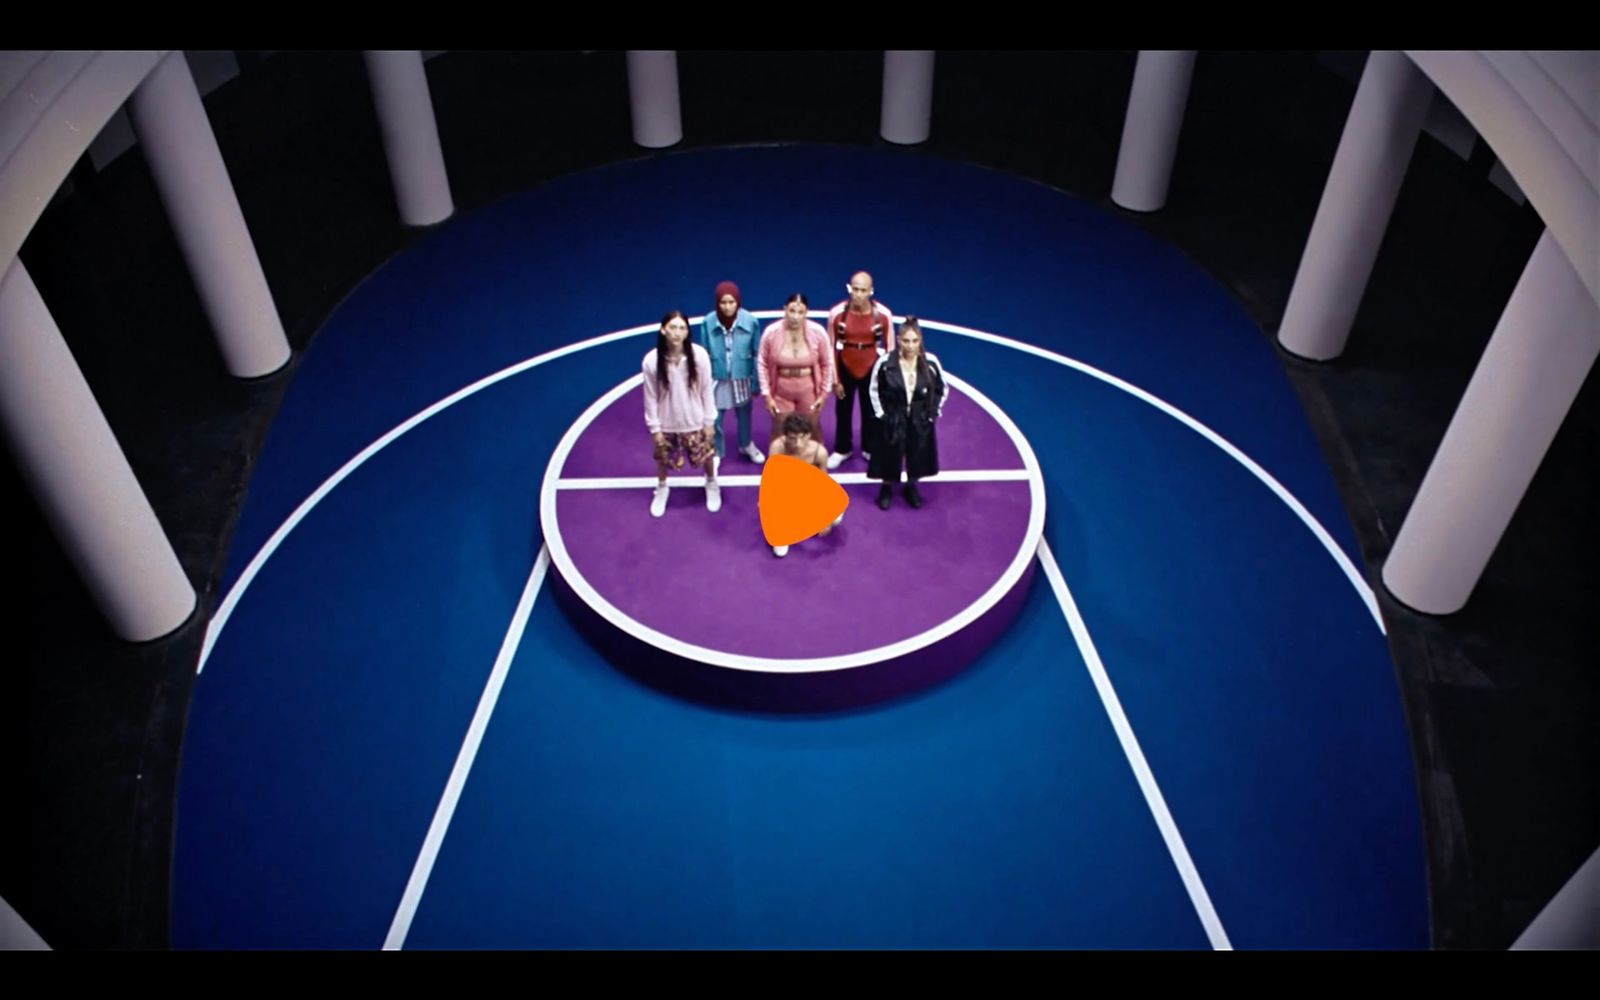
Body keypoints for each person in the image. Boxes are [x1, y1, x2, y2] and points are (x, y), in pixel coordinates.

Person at [642, 310, 719, 517]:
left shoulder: (699, 356)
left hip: (695, 420)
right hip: (667, 423)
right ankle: (662, 486)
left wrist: (709, 421)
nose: (677, 333)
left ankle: (711, 483)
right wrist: (655, 428)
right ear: (663, 330)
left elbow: (706, 390)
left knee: (707, 455)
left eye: (682, 328)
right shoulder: (651, 361)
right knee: (662, 459)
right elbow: (650, 397)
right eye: (673, 327)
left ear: (687, 332)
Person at [868, 316, 948, 510]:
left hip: (919, 417)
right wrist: (882, 415)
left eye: (914, 341)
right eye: (906, 341)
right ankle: (886, 487)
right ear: (898, 340)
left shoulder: (931, 363)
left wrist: (932, 412)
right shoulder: (885, 363)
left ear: (920, 340)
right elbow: (874, 389)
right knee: (890, 452)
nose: (911, 346)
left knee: (918, 451)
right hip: (893, 416)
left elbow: (941, 388)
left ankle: (911, 485)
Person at [825, 270, 895, 469]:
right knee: (843, 410)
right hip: (845, 364)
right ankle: (842, 448)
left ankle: (870, 447)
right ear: (849, 289)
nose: (858, 294)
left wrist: (886, 378)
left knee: (871, 411)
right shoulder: (836, 313)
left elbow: (890, 350)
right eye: (855, 289)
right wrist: (835, 379)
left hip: (872, 366)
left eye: (863, 290)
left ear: (871, 291)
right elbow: (830, 346)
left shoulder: (883, 315)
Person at [698, 280, 766, 466]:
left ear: (738, 302)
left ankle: (746, 444)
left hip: (741, 375)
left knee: (744, 414)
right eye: (723, 302)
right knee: (715, 416)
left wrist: (755, 382)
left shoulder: (750, 321)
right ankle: (717, 449)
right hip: (717, 377)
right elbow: (703, 353)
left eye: (731, 302)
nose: (727, 307)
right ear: (717, 303)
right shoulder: (707, 322)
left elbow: (756, 352)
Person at [757, 293, 834, 451]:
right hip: (781, 391)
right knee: (779, 429)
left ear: (806, 313)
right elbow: (762, 363)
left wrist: (824, 394)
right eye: (792, 311)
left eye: (800, 312)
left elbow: (827, 363)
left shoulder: (818, 333)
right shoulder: (771, 333)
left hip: (809, 390)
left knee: (812, 427)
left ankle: (816, 465)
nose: (795, 317)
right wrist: (767, 395)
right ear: (785, 310)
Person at [765, 413, 843, 558]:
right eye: (792, 438)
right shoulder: (777, 448)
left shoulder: (820, 453)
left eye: (802, 437)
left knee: (836, 517)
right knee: (780, 551)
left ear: (809, 435)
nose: (798, 444)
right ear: (785, 436)